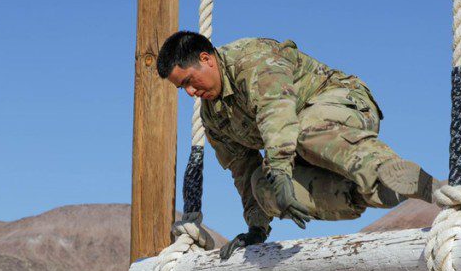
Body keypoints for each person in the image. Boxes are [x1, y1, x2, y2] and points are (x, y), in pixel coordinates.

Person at [157, 31, 439, 259]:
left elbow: (276, 112)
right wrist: (256, 227)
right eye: (183, 89)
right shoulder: (213, 117)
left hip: (345, 107)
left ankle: (391, 172)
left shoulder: (251, 60)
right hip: (300, 147)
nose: (191, 93)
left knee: (300, 131)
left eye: (189, 81)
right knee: (262, 186)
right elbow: (242, 169)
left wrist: (280, 169)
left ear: (206, 59)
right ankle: (374, 191)